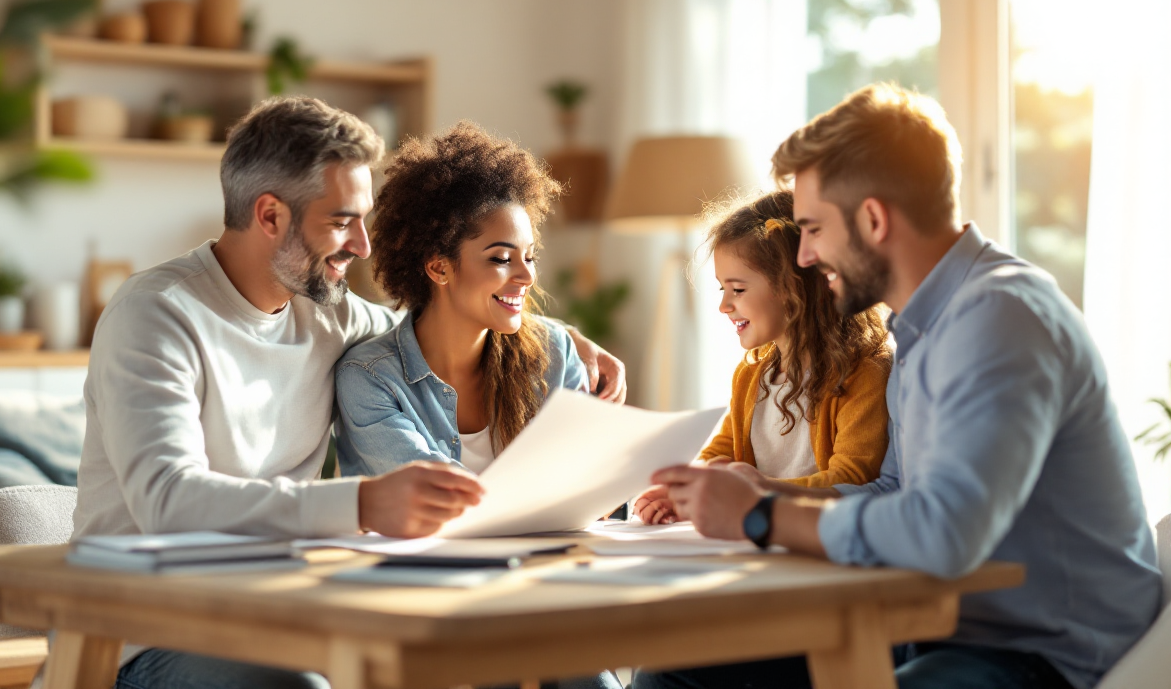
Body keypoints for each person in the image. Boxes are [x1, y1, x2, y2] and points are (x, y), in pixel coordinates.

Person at [71, 97, 626, 689]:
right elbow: (168, 499)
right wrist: (362, 504)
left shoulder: (330, 317)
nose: (362, 244)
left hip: (279, 619)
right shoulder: (156, 315)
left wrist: (559, 336)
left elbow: (437, 319)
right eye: (341, 221)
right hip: (144, 634)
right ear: (269, 216)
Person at [639, 83, 1160, 689]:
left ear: (873, 219)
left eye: (811, 229)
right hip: (935, 631)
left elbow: (943, 532)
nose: (803, 257)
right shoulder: (924, 330)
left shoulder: (999, 316)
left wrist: (763, 515)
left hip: (1040, 653)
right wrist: (760, 496)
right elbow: (892, 488)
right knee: (674, 674)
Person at [335, 122, 598, 478]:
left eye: (530, 257)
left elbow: (591, 475)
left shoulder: (555, 354)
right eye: (501, 259)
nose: (528, 276)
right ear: (438, 268)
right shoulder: (370, 379)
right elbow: (441, 497)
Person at [633, 190, 891, 526]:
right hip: (756, 538)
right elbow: (721, 453)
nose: (724, 306)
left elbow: (853, 478)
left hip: (816, 541)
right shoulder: (752, 374)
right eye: (722, 289)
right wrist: (686, 488)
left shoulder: (863, 372)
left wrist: (757, 492)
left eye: (737, 290)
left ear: (794, 287)